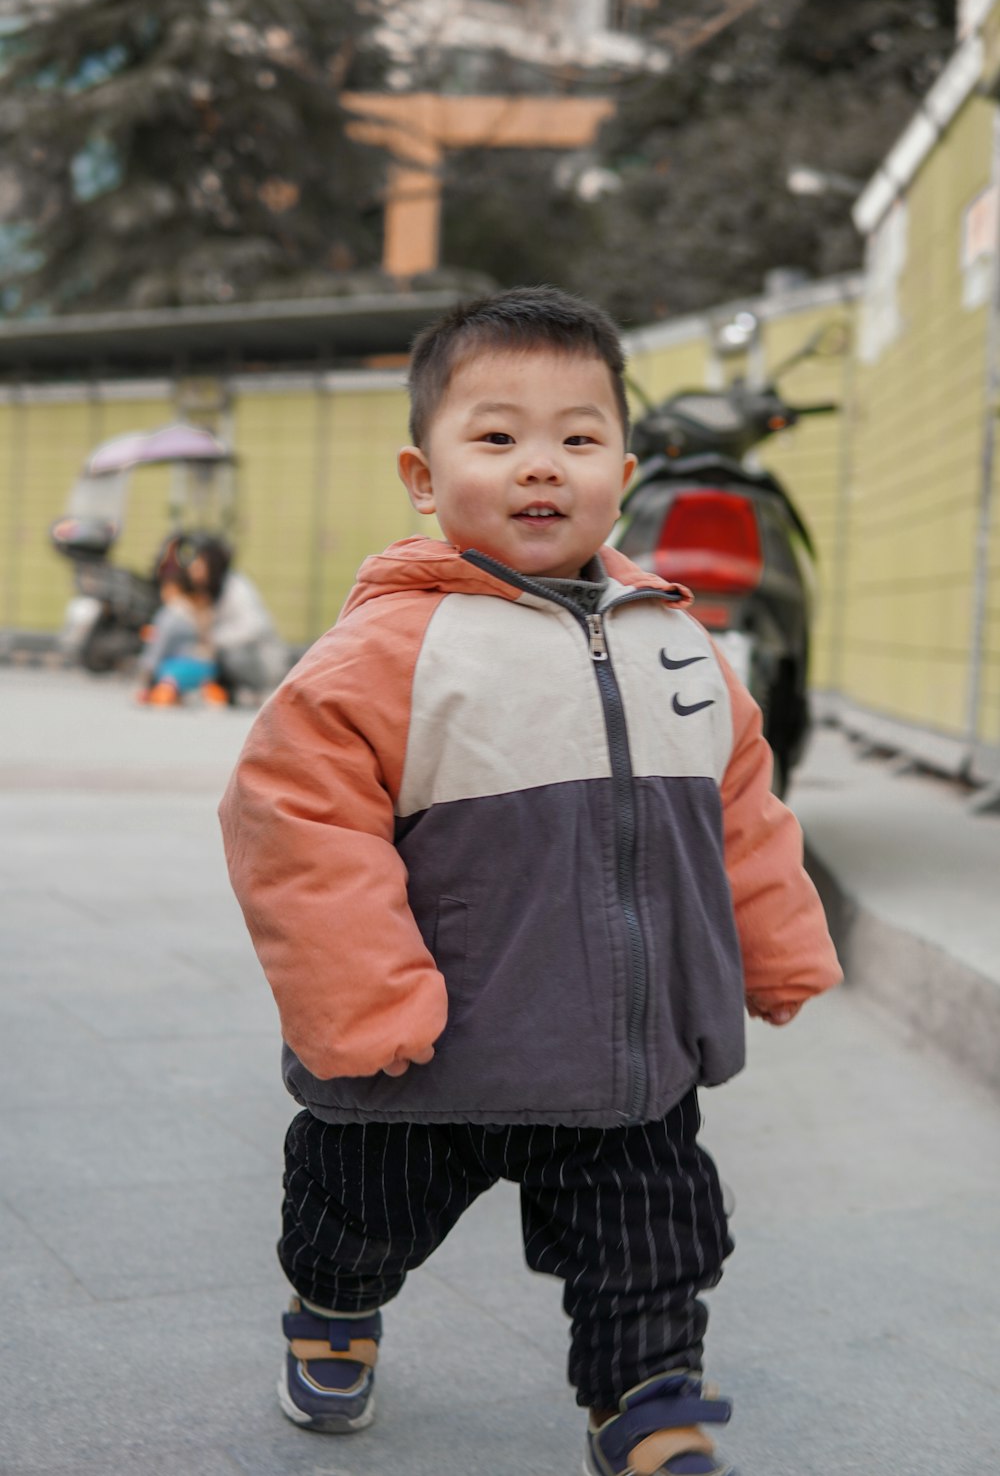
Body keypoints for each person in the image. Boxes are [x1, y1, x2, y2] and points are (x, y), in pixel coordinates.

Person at [218, 286, 842, 1476]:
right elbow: (292, 826)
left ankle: (649, 1409)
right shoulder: (382, 654)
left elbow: (741, 810)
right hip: (426, 1056)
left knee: (655, 1235)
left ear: (627, 463)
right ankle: (334, 1308)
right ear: (421, 472)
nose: (539, 466)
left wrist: (775, 944)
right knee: (354, 1217)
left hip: (624, 1055)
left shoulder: (680, 644)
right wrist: (362, 1001)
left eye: (577, 436)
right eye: (496, 437)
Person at [185, 537, 287, 700]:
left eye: (199, 564)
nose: (193, 569)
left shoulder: (237, 587)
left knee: (231, 655)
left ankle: (258, 691)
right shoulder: (210, 591)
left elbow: (255, 626)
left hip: (261, 661)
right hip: (234, 652)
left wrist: (215, 639)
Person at [135, 564, 226, 707]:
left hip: (178, 669)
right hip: (209, 668)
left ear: (175, 588)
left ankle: (168, 691)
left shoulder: (170, 613)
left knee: (165, 674)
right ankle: (208, 691)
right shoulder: (201, 607)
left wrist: (145, 678)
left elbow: (158, 646)